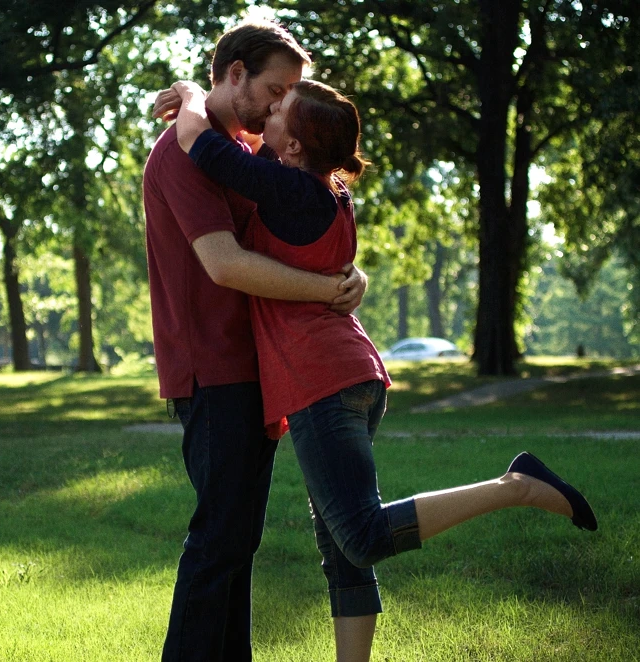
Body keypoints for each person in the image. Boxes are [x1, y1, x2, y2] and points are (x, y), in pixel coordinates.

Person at [168, 76, 599, 662]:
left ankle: (517, 487)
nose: (267, 113)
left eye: (280, 112)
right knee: (343, 551)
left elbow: (197, 140)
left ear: (293, 149)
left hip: (323, 381)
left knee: (362, 535)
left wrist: (192, 92)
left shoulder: (288, 190)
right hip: (349, 374)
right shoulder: (327, 189)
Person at [143, 19, 369, 662]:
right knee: (220, 539)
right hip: (213, 367)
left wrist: (349, 274)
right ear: (235, 73)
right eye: (275, 90)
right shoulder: (183, 154)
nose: (280, 106)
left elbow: (312, 213)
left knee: (238, 541)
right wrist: (327, 290)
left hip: (255, 366)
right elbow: (227, 265)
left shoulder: (245, 150)